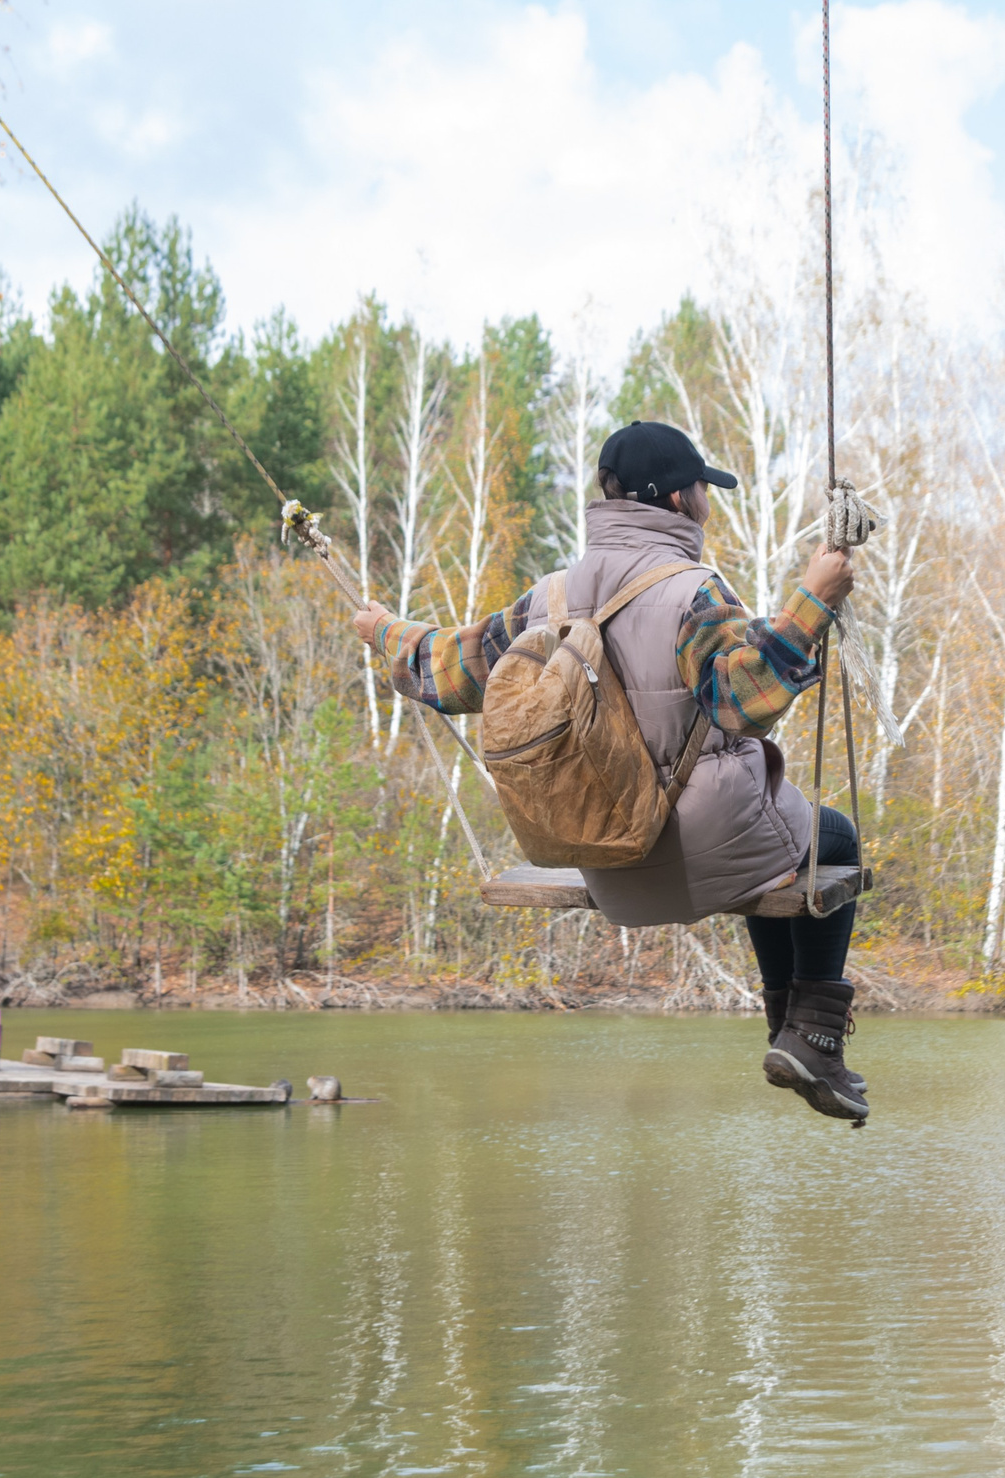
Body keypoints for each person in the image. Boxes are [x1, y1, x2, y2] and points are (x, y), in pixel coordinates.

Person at [354, 420, 870, 1122]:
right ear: (680, 500)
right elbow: (741, 701)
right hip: (698, 853)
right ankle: (807, 1032)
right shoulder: (694, 592)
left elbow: (454, 667)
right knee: (830, 841)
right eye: (703, 490)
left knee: (778, 840)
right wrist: (813, 600)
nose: (707, 505)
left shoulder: (549, 599)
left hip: (609, 863)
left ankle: (794, 1032)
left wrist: (385, 631)